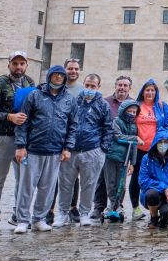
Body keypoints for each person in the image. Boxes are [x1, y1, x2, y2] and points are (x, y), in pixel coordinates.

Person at [13, 65, 77, 234]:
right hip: (33, 149)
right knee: (26, 186)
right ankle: (22, 220)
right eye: (55, 75)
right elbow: (23, 123)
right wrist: (21, 146)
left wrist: (68, 148)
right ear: (49, 77)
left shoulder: (69, 100)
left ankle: (39, 219)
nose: (58, 78)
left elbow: (72, 126)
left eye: (61, 76)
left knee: (47, 188)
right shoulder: (35, 96)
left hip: (55, 150)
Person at [0, 51, 35, 233]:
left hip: (23, 140)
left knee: (23, 180)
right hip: (4, 136)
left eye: (22, 63)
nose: (18, 67)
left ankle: (18, 214)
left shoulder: (30, 82)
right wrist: (9, 117)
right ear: (9, 65)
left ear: (26, 65)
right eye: (15, 64)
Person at [55, 73, 112, 227]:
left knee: (89, 184)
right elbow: (64, 122)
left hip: (92, 149)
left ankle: (85, 213)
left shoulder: (103, 105)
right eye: (87, 85)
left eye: (93, 86)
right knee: (65, 183)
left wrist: (103, 149)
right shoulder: (73, 101)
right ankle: (62, 213)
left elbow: (108, 128)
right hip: (71, 149)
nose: (89, 89)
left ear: (98, 87)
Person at [92, 75, 133, 220]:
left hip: (122, 151)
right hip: (106, 146)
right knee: (102, 179)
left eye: (125, 85)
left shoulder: (133, 105)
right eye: (119, 85)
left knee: (119, 179)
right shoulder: (106, 102)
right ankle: (98, 207)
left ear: (129, 88)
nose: (122, 88)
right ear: (115, 86)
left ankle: (117, 205)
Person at [131, 78, 168, 221]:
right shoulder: (136, 106)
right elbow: (130, 126)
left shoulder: (161, 106)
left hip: (157, 150)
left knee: (157, 176)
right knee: (137, 178)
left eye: (152, 90)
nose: (150, 93)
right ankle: (136, 207)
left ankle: (157, 204)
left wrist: (164, 144)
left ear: (156, 92)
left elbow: (167, 126)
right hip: (140, 148)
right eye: (147, 90)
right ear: (142, 92)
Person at [138, 129, 168, 229]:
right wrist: (164, 188)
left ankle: (164, 219)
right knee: (151, 194)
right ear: (155, 142)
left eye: (166, 142)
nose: (163, 144)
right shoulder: (147, 159)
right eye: (160, 142)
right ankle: (154, 217)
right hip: (153, 193)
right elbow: (143, 180)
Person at [103, 100, 140, 222]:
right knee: (111, 183)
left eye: (134, 112)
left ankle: (118, 205)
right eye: (129, 111)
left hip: (124, 160)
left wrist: (132, 163)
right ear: (124, 111)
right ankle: (112, 205)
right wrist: (134, 138)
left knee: (121, 184)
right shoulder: (117, 121)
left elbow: (134, 146)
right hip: (112, 157)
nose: (132, 113)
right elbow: (117, 136)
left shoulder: (134, 126)